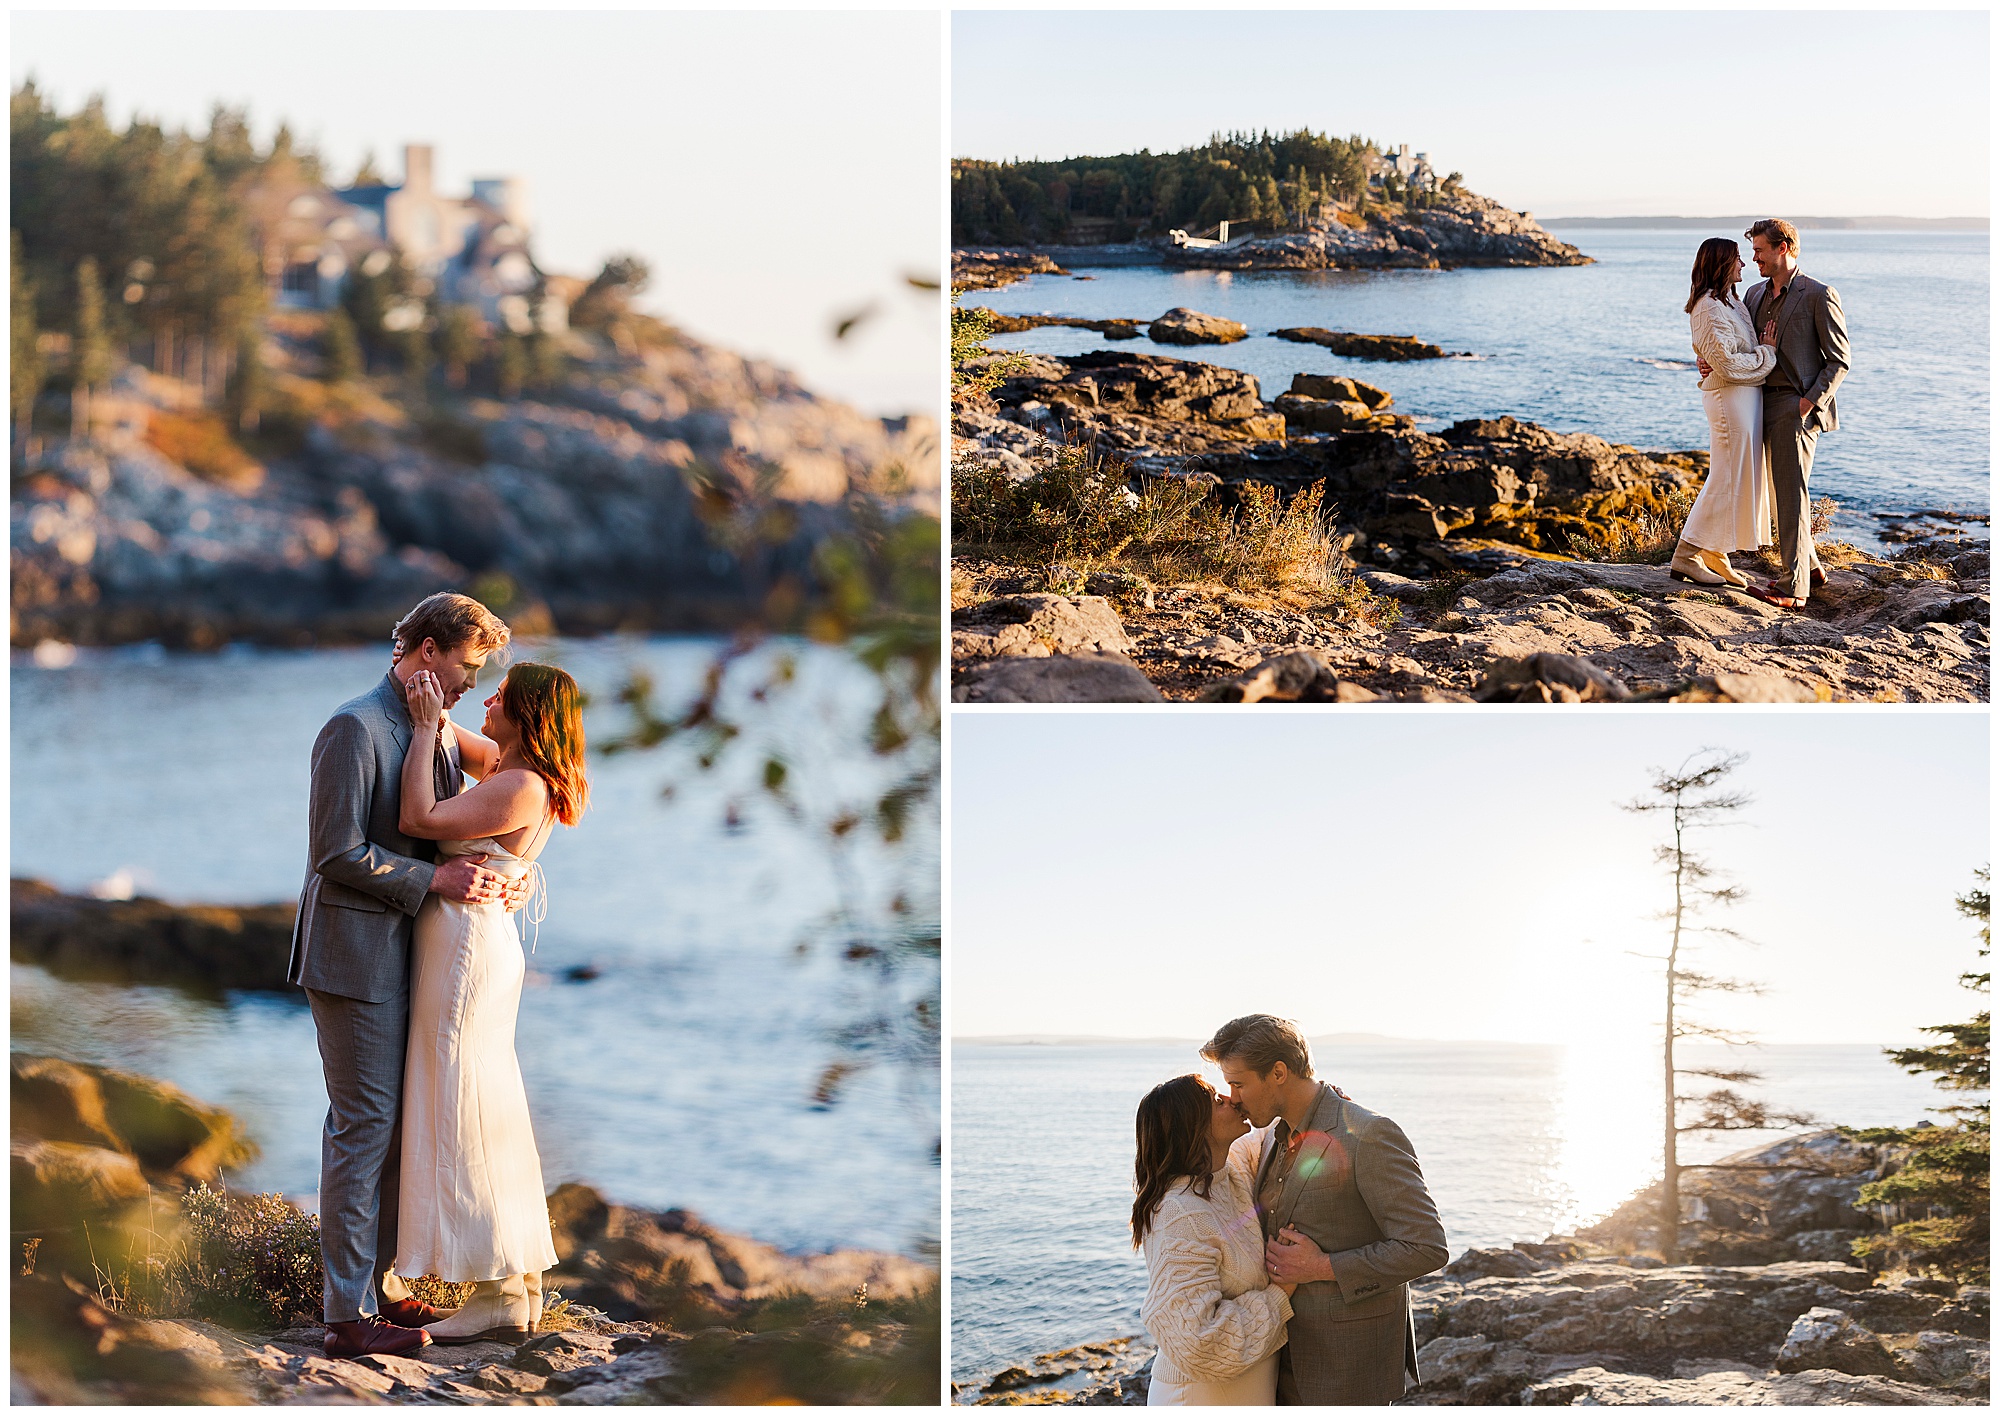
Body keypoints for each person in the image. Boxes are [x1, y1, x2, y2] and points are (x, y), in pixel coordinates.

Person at [287, 592, 519, 1358]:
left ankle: (377, 1290)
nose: (468, 682)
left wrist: (510, 872)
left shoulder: (435, 728)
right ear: (427, 650)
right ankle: (345, 1319)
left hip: (409, 961)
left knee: (395, 1132)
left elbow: (519, 782)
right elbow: (335, 853)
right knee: (363, 1131)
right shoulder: (353, 728)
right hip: (353, 961)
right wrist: (433, 885)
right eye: (467, 666)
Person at [393, 659, 589, 1342]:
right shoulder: (513, 769)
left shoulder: (521, 786)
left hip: (466, 951)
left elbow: (417, 815)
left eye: (499, 697)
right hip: (472, 943)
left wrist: (420, 729)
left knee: (462, 1104)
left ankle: (497, 1289)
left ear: (527, 715)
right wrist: (428, 703)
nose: (486, 701)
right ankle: (518, 1285)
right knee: (481, 1101)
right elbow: (458, 736)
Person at [1202, 1015, 1449, 1406]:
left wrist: (1322, 1266)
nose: (1233, 1097)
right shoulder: (1271, 1138)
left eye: (1239, 1083)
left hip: (1347, 1368)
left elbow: (1427, 1247)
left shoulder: (1368, 1134)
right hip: (1278, 1365)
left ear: (1278, 1072)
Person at [1696, 218, 1851, 609]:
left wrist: (1809, 401)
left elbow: (1839, 360)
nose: (1754, 258)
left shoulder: (1818, 294)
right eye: (1751, 253)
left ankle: (1793, 588)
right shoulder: (1751, 295)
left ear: (1783, 248)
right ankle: (1811, 569)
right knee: (1781, 492)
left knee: (1790, 495)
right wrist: (1707, 360)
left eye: (1760, 251)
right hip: (1758, 402)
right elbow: (1735, 342)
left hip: (1795, 408)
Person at [1133, 1074, 1294, 1405]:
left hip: (1244, 1389)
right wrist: (1283, 1291)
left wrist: (1323, 1106)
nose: (1231, 1099)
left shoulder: (1226, 1173)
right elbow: (1202, 1342)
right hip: (1199, 1397)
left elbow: (1268, 1138)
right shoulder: (1181, 1213)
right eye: (1217, 1102)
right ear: (1193, 1128)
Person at [1671, 236, 1780, 588]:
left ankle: (1716, 551)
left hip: (1746, 399)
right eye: (1737, 259)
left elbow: (1724, 355)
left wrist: (1746, 358)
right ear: (1721, 264)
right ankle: (1686, 555)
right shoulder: (1708, 306)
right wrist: (1768, 353)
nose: (1744, 264)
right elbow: (1728, 364)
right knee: (1725, 477)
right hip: (1728, 400)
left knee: (1737, 476)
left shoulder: (1731, 301)